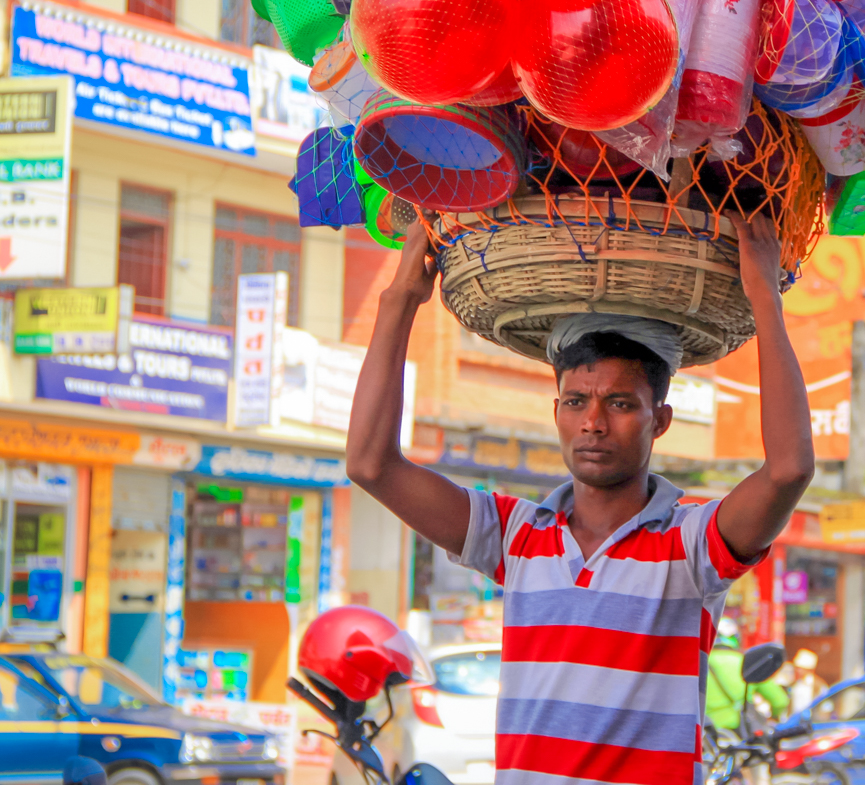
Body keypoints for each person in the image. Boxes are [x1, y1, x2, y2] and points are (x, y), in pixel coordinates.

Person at [347, 214, 815, 785]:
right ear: (556, 412)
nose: (592, 423)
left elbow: (789, 469)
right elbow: (371, 464)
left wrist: (764, 295)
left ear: (659, 421)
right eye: (575, 402)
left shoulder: (690, 546)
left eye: (620, 404)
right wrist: (399, 298)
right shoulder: (515, 534)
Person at [705, 619, 789, 736]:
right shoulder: (747, 662)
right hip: (739, 735)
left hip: (701, 738)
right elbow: (780, 701)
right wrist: (774, 718)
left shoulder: (695, 664)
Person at [786, 648, 829, 713]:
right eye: (796, 668)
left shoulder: (818, 685)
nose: (797, 671)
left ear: (809, 670)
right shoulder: (793, 684)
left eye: (800, 668)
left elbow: (825, 707)